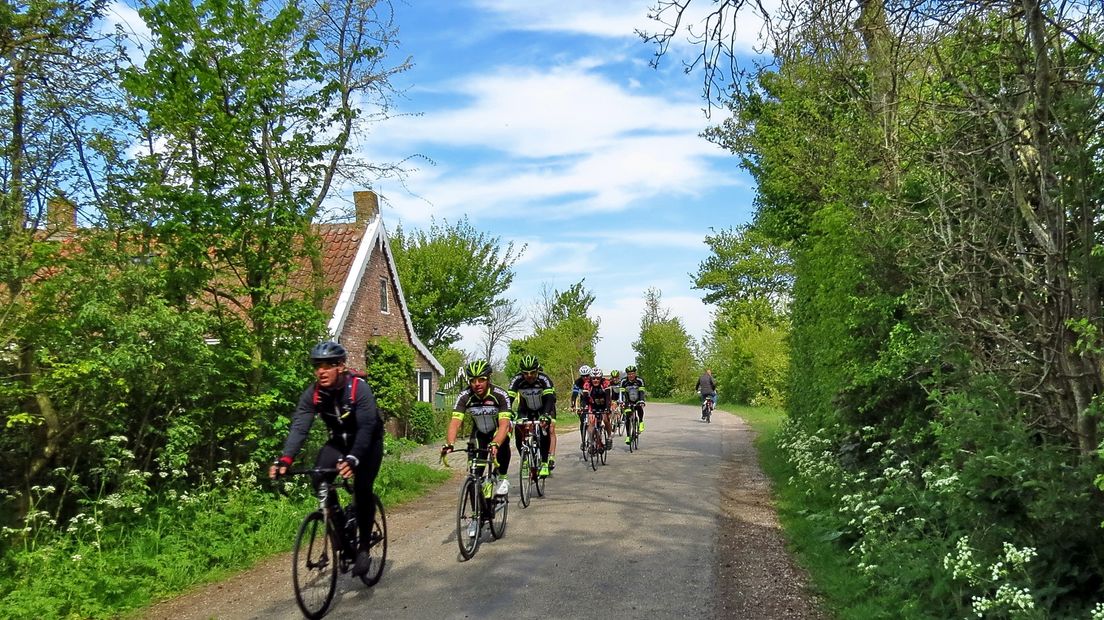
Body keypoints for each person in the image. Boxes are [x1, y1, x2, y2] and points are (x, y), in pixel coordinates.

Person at [270, 340, 383, 577]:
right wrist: (285, 459)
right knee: (319, 477)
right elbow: (300, 428)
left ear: (340, 366)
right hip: (338, 442)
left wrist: (353, 459)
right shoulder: (313, 394)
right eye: (317, 366)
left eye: (327, 366)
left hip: (367, 444)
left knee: (362, 489)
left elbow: (367, 428)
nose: (321, 371)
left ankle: (362, 548)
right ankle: (340, 523)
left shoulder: (358, 389)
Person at [441, 360, 512, 496]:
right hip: (479, 434)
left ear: (488, 379)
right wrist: (450, 443)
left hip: (498, 431)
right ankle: (478, 514)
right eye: (473, 380)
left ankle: (502, 477)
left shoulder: (500, 395)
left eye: (481, 379)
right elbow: (455, 422)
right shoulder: (465, 396)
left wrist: (496, 443)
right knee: (475, 476)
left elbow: (504, 424)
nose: (477, 384)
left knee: (504, 440)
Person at [506, 354, 557, 476]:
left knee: (544, 427)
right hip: (525, 409)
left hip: (544, 407)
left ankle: (544, 462)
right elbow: (509, 398)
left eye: (532, 372)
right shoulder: (517, 379)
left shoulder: (544, 379)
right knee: (519, 431)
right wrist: (507, 411)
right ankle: (524, 460)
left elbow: (550, 398)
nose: (529, 376)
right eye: (526, 373)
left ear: (537, 370)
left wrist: (545, 414)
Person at [582, 366, 615, 451]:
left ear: (601, 378)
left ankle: (609, 437)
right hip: (593, 405)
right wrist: (584, 407)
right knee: (591, 423)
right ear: (591, 378)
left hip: (604, 405)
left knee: (605, 419)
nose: (595, 380)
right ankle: (591, 443)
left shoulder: (605, 383)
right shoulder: (587, 384)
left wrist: (607, 408)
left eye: (597, 378)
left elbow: (608, 397)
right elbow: (585, 399)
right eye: (593, 378)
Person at [619, 364, 647, 444]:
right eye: (629, 374)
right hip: (628, 400)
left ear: (635, 373)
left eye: (632, 373)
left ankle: (641, 421)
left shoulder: (640, 380)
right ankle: (628, 436)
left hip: (638, 398)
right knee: (628, 416)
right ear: (627, 374)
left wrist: (641, 401)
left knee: (639, 407)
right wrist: (621, 401)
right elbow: (621, 393)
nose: (631, 375)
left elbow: (642, 392)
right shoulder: (623, 381)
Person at [571, 364, 592, 450]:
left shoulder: (593, 381)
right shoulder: (578, 382)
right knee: (583, 422)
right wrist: (572, 405)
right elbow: (574, 395)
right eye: (583, 376)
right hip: (584, 401)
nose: (586, 378)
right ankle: (583, 441)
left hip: (594, 400)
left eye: (587, 376)